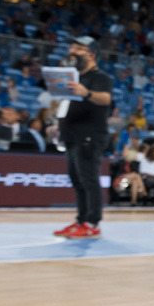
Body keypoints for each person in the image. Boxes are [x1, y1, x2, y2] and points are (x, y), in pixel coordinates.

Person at [55, 37, 112, 239]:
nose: (72, 51)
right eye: (72, 47)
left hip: (90, 137)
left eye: (78, 49)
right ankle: (80, 220)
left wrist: (86, 92)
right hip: (72, 136)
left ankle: (93, 224)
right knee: (77, 181)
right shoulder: (75, 77)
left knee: (89, 180)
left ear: (91, 54)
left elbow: (105, 98)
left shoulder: (99, 77)